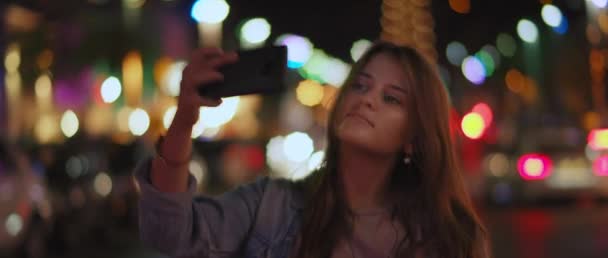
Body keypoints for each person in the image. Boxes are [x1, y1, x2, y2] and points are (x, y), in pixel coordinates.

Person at [134, 41, 491, 258]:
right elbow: (169, 233)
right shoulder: (270, 207)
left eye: (391, 98)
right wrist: (183, 120)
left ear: (414, 135)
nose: (367, 100)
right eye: (361, 86)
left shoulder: (451, 238)